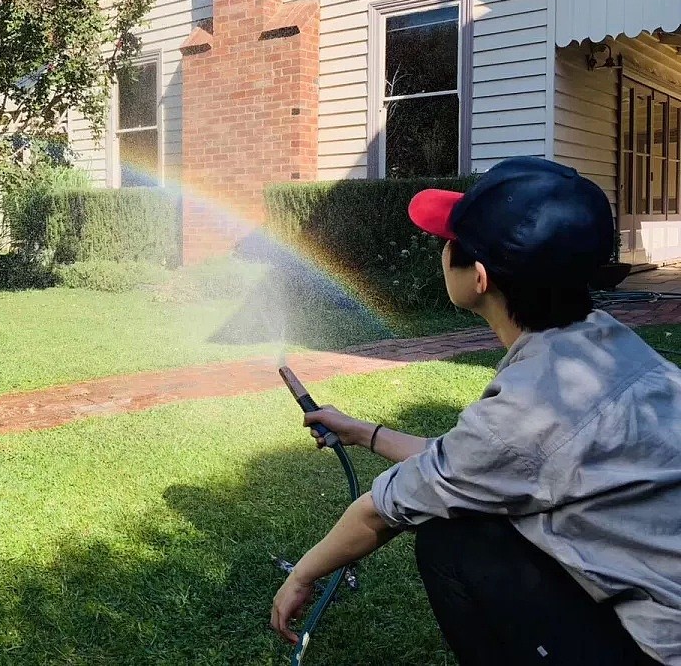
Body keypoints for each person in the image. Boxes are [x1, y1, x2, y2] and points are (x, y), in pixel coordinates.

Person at [270, 157, 681, 665]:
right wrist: (363, 432)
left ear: (479, 277)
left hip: (660, 652)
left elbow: (382, 510)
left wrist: (301, 574)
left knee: (452, 537)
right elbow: (478, 464)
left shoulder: (531, 405)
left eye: (451, 242)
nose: (444, 251)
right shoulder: (605, 345)